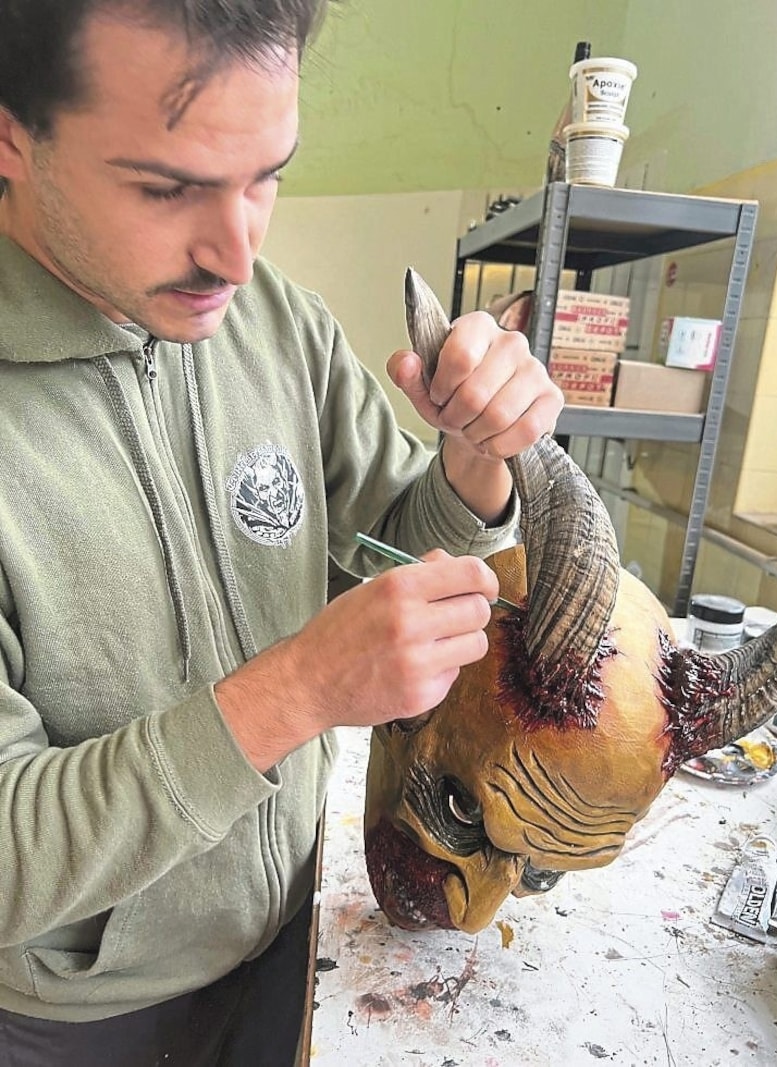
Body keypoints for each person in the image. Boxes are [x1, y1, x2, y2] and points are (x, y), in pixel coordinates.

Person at [0, 1, 563, 1063]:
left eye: (266, 175)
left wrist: (476, 456)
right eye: (167, 186)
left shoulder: (276, 326)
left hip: (290, 934)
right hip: (74, 1018)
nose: (236, 249)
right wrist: (296, 690)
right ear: (13, 134)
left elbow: (392, 533)